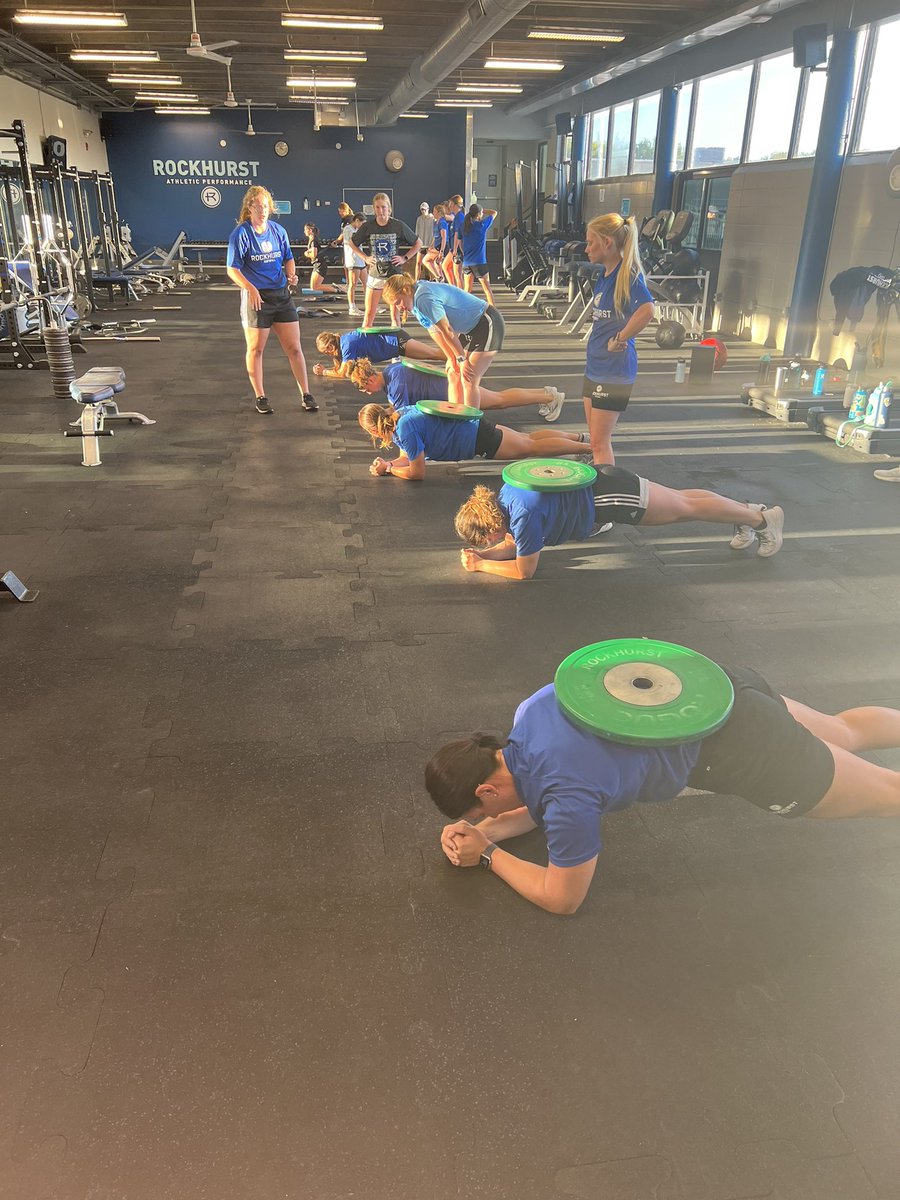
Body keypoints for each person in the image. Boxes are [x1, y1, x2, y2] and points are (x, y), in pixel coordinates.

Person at [425, 664, 900, 915]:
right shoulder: (530, 715)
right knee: (844, 731)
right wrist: (485, 834)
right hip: (715, 688)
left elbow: (561, 897)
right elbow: (534, 800)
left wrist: (488, 856)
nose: (486, 818)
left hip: (744, 746)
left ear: (487, 790)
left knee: (887, 796)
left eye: (480, 811)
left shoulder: (565, 799)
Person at [453, 474, 785, 580]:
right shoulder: (507, 495)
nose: (493, 541)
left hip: (613, 498)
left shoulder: (522, 516)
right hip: (608, 480)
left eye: (488, 539)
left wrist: (483, 565)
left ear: (491, 525)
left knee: (686, 508)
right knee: (685, 501)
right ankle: (746, 514)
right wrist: (486, 554)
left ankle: (762, 521)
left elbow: (524, 569)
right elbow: (511, 544)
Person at [225, 185, 318, 415]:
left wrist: (291, 274)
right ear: (249, 207)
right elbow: (232, 270)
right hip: (257, 298)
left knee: (295, 348)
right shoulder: (241, 234)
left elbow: (288, 258)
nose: (263, 210)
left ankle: (306, 394)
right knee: (256, 349)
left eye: (266, 206)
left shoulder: (278, 231)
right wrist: (250, 287)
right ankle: (261, 396)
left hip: (281, 295)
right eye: (258, 206)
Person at [582, 213, 655, 465]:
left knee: (599, 444)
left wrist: (621, 337)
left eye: (591, 242)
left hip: (613, 371)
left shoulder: (628, 276)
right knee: (595, 442)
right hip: (595, 366)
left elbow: (647, 310)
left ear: (607, 243)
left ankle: (607, 498)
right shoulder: (604, 276)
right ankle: (599, 491)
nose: (587, 248)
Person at [358, 403, 586, 481]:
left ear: (374, 430)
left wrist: (388, 469)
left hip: (477, 439)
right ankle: (581, 438)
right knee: (528, 439)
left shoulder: (404, 429)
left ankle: (589, 448)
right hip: (475, 427)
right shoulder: (400, 417)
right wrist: (388, 464)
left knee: (531, 448)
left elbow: (417, 473)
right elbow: (406, 458)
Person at [381, 274, 504, 410]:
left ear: (405, 290)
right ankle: (454, 417)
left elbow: (447, 330)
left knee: (468, 378)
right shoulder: (415, 300)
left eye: (398, 302)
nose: (399, 308)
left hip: (487, 322)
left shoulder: (423, 298)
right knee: (452, 371)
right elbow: (434, 331)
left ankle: (470, 426)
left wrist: (461, 359)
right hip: (470, 328)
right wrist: (452, 358)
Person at [348, 356, 565, 422]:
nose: (369, 394)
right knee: (500, 398)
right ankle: (545, 393)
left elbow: (402, 415)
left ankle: (549, 396)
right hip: (452, 387)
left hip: (455, 394)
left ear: (368, 381)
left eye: (366, 390)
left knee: (500, 400)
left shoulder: (395, 388)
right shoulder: (391, 370)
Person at [351, 194, 422, 327]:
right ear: (374, 209)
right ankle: (365, 346)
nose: (381, 210)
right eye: (377, 207)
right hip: (375, 275)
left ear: (389, 208)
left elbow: (418, 243)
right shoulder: (367, 227)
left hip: (394, 276)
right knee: (369, 315)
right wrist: (365, 257)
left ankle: (396, 346)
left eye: (383, 207)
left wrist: (404, 258)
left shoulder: (398, 225)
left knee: (395, 317)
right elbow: (352, 243)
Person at [312, 327, 444, 381]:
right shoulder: (344, 343)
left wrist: (324, 372)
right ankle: (458, 356)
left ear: (330, 346)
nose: (328, 355)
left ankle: (460, 356)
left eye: (326, 352)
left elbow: (342, 374)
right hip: (395, 345)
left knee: (433, 354)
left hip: (397, 342)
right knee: (432, 354)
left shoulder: (347, 346)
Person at [461, 203, 497, 304]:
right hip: (479, 262)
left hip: (467, 262)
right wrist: (483, 210)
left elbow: (460, 242)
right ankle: (494, 312)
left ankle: (463, 310)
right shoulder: (481, 225)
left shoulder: (464, 227)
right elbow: (494, 213)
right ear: (478, 215)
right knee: (487, 289)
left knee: (467, 290)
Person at [303, 223, 344, 295]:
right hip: (316, 264)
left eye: (305, 230)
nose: (304, 232)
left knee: (315, 287)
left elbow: (313, 255)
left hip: (320, 265)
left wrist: (306, 254)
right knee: (314, 286)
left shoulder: (313, 240)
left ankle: (337, 290)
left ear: (310, 230)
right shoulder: (312, 239)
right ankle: (335, 287)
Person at [339, 212, 367, 317]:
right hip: (353, 260)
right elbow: (351, 243)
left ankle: (369, 305)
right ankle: (352, 307)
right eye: (362, 223)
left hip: (360, 260)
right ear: (356, 221)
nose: (362, 226)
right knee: (353, 285)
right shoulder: (348, 229)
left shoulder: (356, 230)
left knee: (367, 283)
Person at [422, 203, 448, 282]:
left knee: (426, 260)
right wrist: (431, 245)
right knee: (437, 263)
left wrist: (442, 250)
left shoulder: (442, 222)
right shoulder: (435, 222)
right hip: (436, 245)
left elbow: (444, 237)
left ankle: (438, 276)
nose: (433, 213)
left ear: (439, 213)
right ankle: (440, 279)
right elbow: (435, 236)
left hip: (440, 246)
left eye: (434, 211)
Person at [442, 195, 464, 288]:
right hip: (453, 248)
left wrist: (455, 249)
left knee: (457, 274)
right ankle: (453, 288)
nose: (449, 206)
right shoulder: (455, 217)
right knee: (446, 266)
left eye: (451, 204)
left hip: (457, 248)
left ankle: (461, 294)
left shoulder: (459, 217)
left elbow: (457, 234)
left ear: (455, 205)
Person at [414, 202, 435, 281]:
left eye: (424, 209)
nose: (423, 211)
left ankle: (433, 280)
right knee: (418, 263)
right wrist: (417, 244)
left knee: (430, 264)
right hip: (421, 245)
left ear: (428, 209)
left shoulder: (433, 219)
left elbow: (435, 233)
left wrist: (432, 244)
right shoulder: (419, 219)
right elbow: (417, 232)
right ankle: (416, 281)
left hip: (430, 245)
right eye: (422, 210)